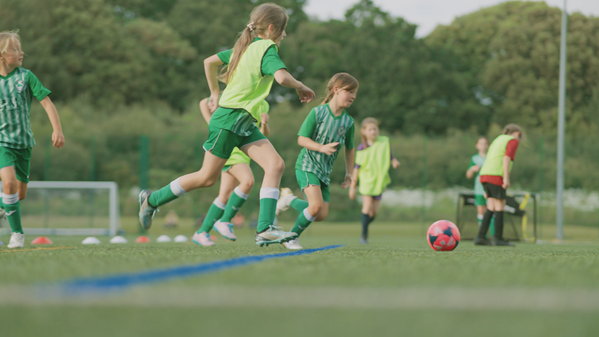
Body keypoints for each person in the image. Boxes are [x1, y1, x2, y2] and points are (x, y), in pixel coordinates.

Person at [138, 3, 315, 247]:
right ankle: (152, 199)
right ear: (273, 28)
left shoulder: (245, 48)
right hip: (230, 120)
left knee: (275, 165)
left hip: (242, 122)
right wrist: (302, 86)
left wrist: (214, 92)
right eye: (284, 30)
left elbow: (208, 62)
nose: (285, 35)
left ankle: (264, 229)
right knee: (206, 178)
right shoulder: (267, 48)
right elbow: (282, 78)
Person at [276, 73, 358, 250]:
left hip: (324, 172)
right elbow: (301, 139)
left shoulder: (348, 122)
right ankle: (291, 238)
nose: (353, 96)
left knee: (320, 214)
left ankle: (288, 199)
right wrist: (321, 148)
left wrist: (349, 173)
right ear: (336, 90)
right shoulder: (318, 113)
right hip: (307, 165)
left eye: (355, 93)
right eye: (349, 91)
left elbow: (350, 148)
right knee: (315, 207)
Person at [0, 30, 65, 248]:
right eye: (15, 49)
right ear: (1, 54)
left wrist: (57, 129)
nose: (21, 52)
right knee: (8, 184)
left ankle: (3, 206)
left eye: (20, 48)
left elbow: (47, 103)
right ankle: (17, 234)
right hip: (2, 144)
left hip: (24, 144)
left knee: (19, 194)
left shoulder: (26, 76)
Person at [193, 95, 270, 246]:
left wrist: (265, 124)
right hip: (230, 149)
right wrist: (212, 123)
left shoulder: (264, 104)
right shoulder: (238, 92)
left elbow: (263, 136)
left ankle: (201, 232)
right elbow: (203, 102)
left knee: (225, 195)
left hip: (243, 153)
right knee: (248, 181)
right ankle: (225, 220)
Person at [349, 118, 400, 244]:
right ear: (364, 131)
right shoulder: (362, 148)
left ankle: (364, 225)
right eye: (370, 129)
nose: (373, 131)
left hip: (379, 181)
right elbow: (356, 168)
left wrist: (394, 161)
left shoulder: (384, 141)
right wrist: (352, 186)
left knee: (374, 212)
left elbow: (389, 154)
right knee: (367, 207)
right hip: (367, 181)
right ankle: (364, 235)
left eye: (375, 129)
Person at [474, 124, 523, 246]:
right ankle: (498, 238)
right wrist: (506, 178)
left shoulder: (497, 139)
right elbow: (506, 158)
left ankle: (480, 237)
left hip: (485, 174)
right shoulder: (512, 140)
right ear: (517, 134)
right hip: (496, 175)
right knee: (500, 205)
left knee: (491, 206)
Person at [466, 136, 494, 236]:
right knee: (481, 211)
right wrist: (472, 169)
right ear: (477, 146)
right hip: (479, 189)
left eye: (485, 143)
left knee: (491, 209)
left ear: (488, 145)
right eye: (481, 143)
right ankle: (483, 235)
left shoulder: (491, 157)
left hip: (490, 187)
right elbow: (468, 175)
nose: (483, 146)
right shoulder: (474, 159)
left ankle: (494, 234)